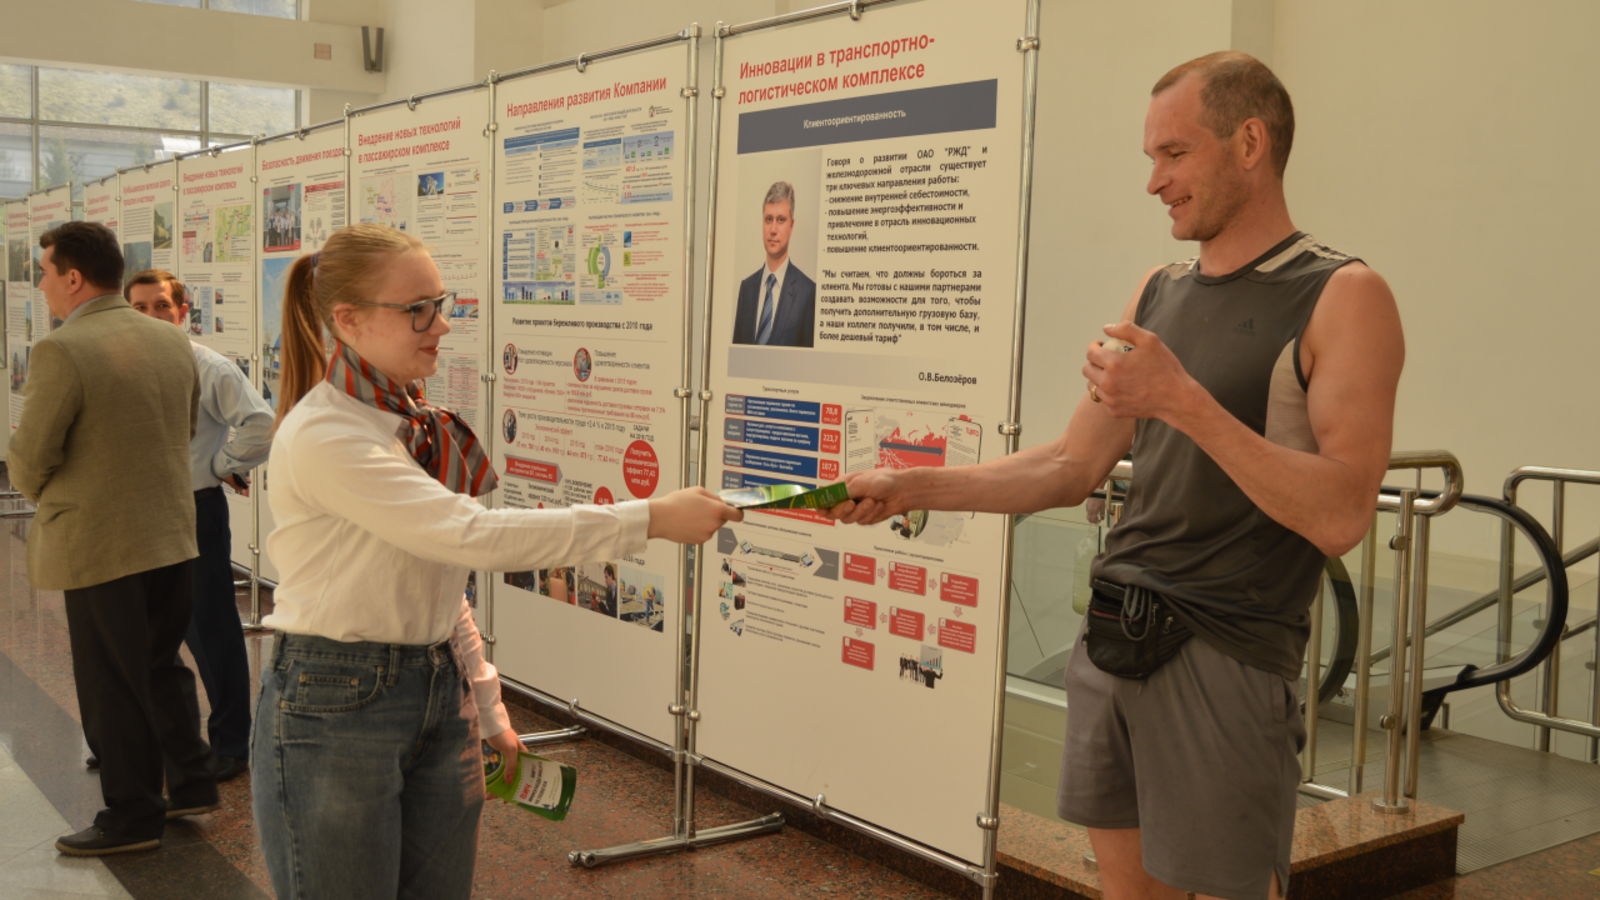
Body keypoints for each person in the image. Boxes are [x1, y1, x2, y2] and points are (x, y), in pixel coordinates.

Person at [831, 51, 1403, 900]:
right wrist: (912, 488)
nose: (1154, 182)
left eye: (1175, 153)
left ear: (1250, 143)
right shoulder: (1158, 291)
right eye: (1151, 157)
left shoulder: (1344, 294)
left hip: (1227, 648)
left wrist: (1182, 401)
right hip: (1112, 634)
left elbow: (1343, 513)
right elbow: (1070, 465)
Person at [254, 222, 740, 898]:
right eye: (417, 309)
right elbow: (471, 537)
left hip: (435, 688)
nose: (441, 325)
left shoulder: (409, 422)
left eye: (440, 303)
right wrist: (650, 518)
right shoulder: (326, 434)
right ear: (349, 319)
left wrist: (487, 708)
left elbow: (440, 580)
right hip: (336, 701)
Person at [10, 222, 218, 856]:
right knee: (159, 665)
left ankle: (132, 817)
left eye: (45, 272)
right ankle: (191, 784)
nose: (42, 284)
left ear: (73, 277)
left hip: (100, 543)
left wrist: (40, 484)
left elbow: (30, 458)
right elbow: (184, 427)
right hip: (170, 534)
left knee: (111, 682)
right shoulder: (170, 339)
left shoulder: (63, 349)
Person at [125, 268, 272, 782]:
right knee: (137, 632)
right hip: (133, 511)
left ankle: (231, 744)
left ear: (183, 312)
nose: (151, 316)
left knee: (210, 630)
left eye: (162, 306)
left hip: (192, 509)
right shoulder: (119, 365)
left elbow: (260, 423)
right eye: (139, 308)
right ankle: (142, 739)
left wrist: (219, 465)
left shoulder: (208, 367)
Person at [731, 181, 816, 347]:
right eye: (768, 219)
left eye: (781, 220)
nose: (773, 229)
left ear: (791, 226)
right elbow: (737, 356)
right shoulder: (746, 289)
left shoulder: (807, 293)